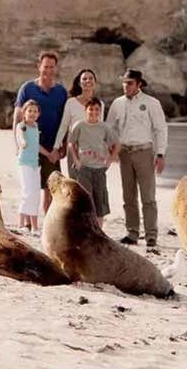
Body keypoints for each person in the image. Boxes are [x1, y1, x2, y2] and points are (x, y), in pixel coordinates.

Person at [105, 69, 168, 247]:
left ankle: (151, 235)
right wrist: (112, 149)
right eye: (124, 82)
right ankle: (132, 233)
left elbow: (160, 129)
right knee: (128, 196)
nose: (126, 86)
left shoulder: (151, 103)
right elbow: (110, 128)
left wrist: (161, 153)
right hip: (124, 153)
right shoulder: (117, 103)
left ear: (139, 84)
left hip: (144, 152)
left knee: (148, 196)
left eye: (130, 83)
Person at [13, 51, 68, 214]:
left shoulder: (61, 92)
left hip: (52, 147)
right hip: (29, 145)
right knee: (30, 186)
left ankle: (47, 221)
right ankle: (28, 220)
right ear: (39, 67)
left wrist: (63, 145)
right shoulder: (27, 88)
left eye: (52, 67)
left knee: (51, 187)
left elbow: (64, 121)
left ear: (55, 69)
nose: (48, 70)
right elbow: (17, 118)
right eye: (45, 67)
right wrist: (17, 144)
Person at [68, 97, 120, 229]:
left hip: (100, 169)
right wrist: (76, 160)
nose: (94, 112)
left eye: (97, 109)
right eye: (91, 109)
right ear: (86, 110)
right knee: (85, 200)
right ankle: (86, 229)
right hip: (84, 168)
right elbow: (71, 143)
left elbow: (117, 144)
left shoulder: (104, 127)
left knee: (100, 199)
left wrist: (109, 161)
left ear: (100, 111)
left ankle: (99, 230)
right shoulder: (79, 125)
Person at [54, 69, 104, 178]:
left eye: (90, 78)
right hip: (74, 149)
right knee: (76, 185)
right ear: (79, 83)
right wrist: (56, 146)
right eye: (84, 79)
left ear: (95, 82)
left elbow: (101, 129)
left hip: (94, 149)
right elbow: (64, 127)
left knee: (92, 185)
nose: (87, 81)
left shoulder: (100, 104)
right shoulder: (71, 102)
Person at [15, 100, 41, 235]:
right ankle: (21, 224)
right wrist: (23, 143)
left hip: (35, 164)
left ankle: (35, 227)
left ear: (38, 114)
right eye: (29, 111)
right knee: (27, 193)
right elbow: (20, 139)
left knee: (36, 194)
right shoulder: (21, 126)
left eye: (35, 111)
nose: (32, 113)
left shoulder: (36, 126)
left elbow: (37, 145)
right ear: (24, 113)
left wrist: (48, 153)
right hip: (24, 163)